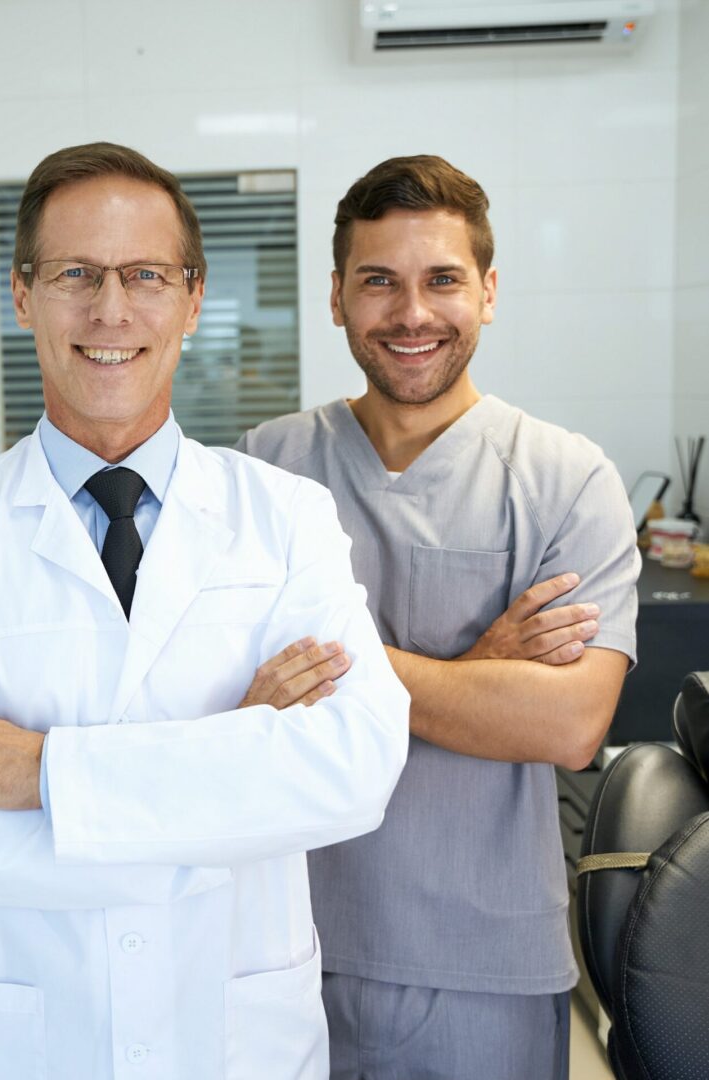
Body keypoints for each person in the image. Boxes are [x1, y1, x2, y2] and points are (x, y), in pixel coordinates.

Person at [0, 142, 410, 1080]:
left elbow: (354, 770)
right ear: (23, 294)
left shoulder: (285, 518)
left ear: (192, 300)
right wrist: (234, 770)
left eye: (145, 275)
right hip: (23, 1045)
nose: (110, 310)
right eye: (74, 273)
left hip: (235, 1036)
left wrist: (36, 770)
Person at [238, 155, 639, 1080]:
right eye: (378, 281)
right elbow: (225, 691)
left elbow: (569, 724)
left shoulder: (563, 479)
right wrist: (477, 666)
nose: (411, 314)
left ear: (488, 292)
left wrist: (345, 673)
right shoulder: (266, 468)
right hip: (279, 944)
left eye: (442, 280)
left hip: (483, 964)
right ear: (335, 297)